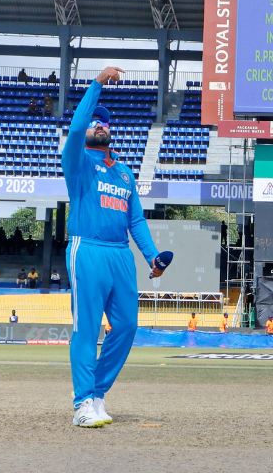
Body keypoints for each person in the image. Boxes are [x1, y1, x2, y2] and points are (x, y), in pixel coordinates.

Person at [64, 66, 168, 429]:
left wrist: (152, 256)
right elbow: (76, 129)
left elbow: (135, 220)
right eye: (96, 121)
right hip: (87, 249)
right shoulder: (77, 162)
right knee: (87, 328)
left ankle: (96, 394)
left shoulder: (124, 172)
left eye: (105, 121)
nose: (100, 124)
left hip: (120, 254)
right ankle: (82, 405)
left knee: (126, 326)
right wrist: (96, 85)